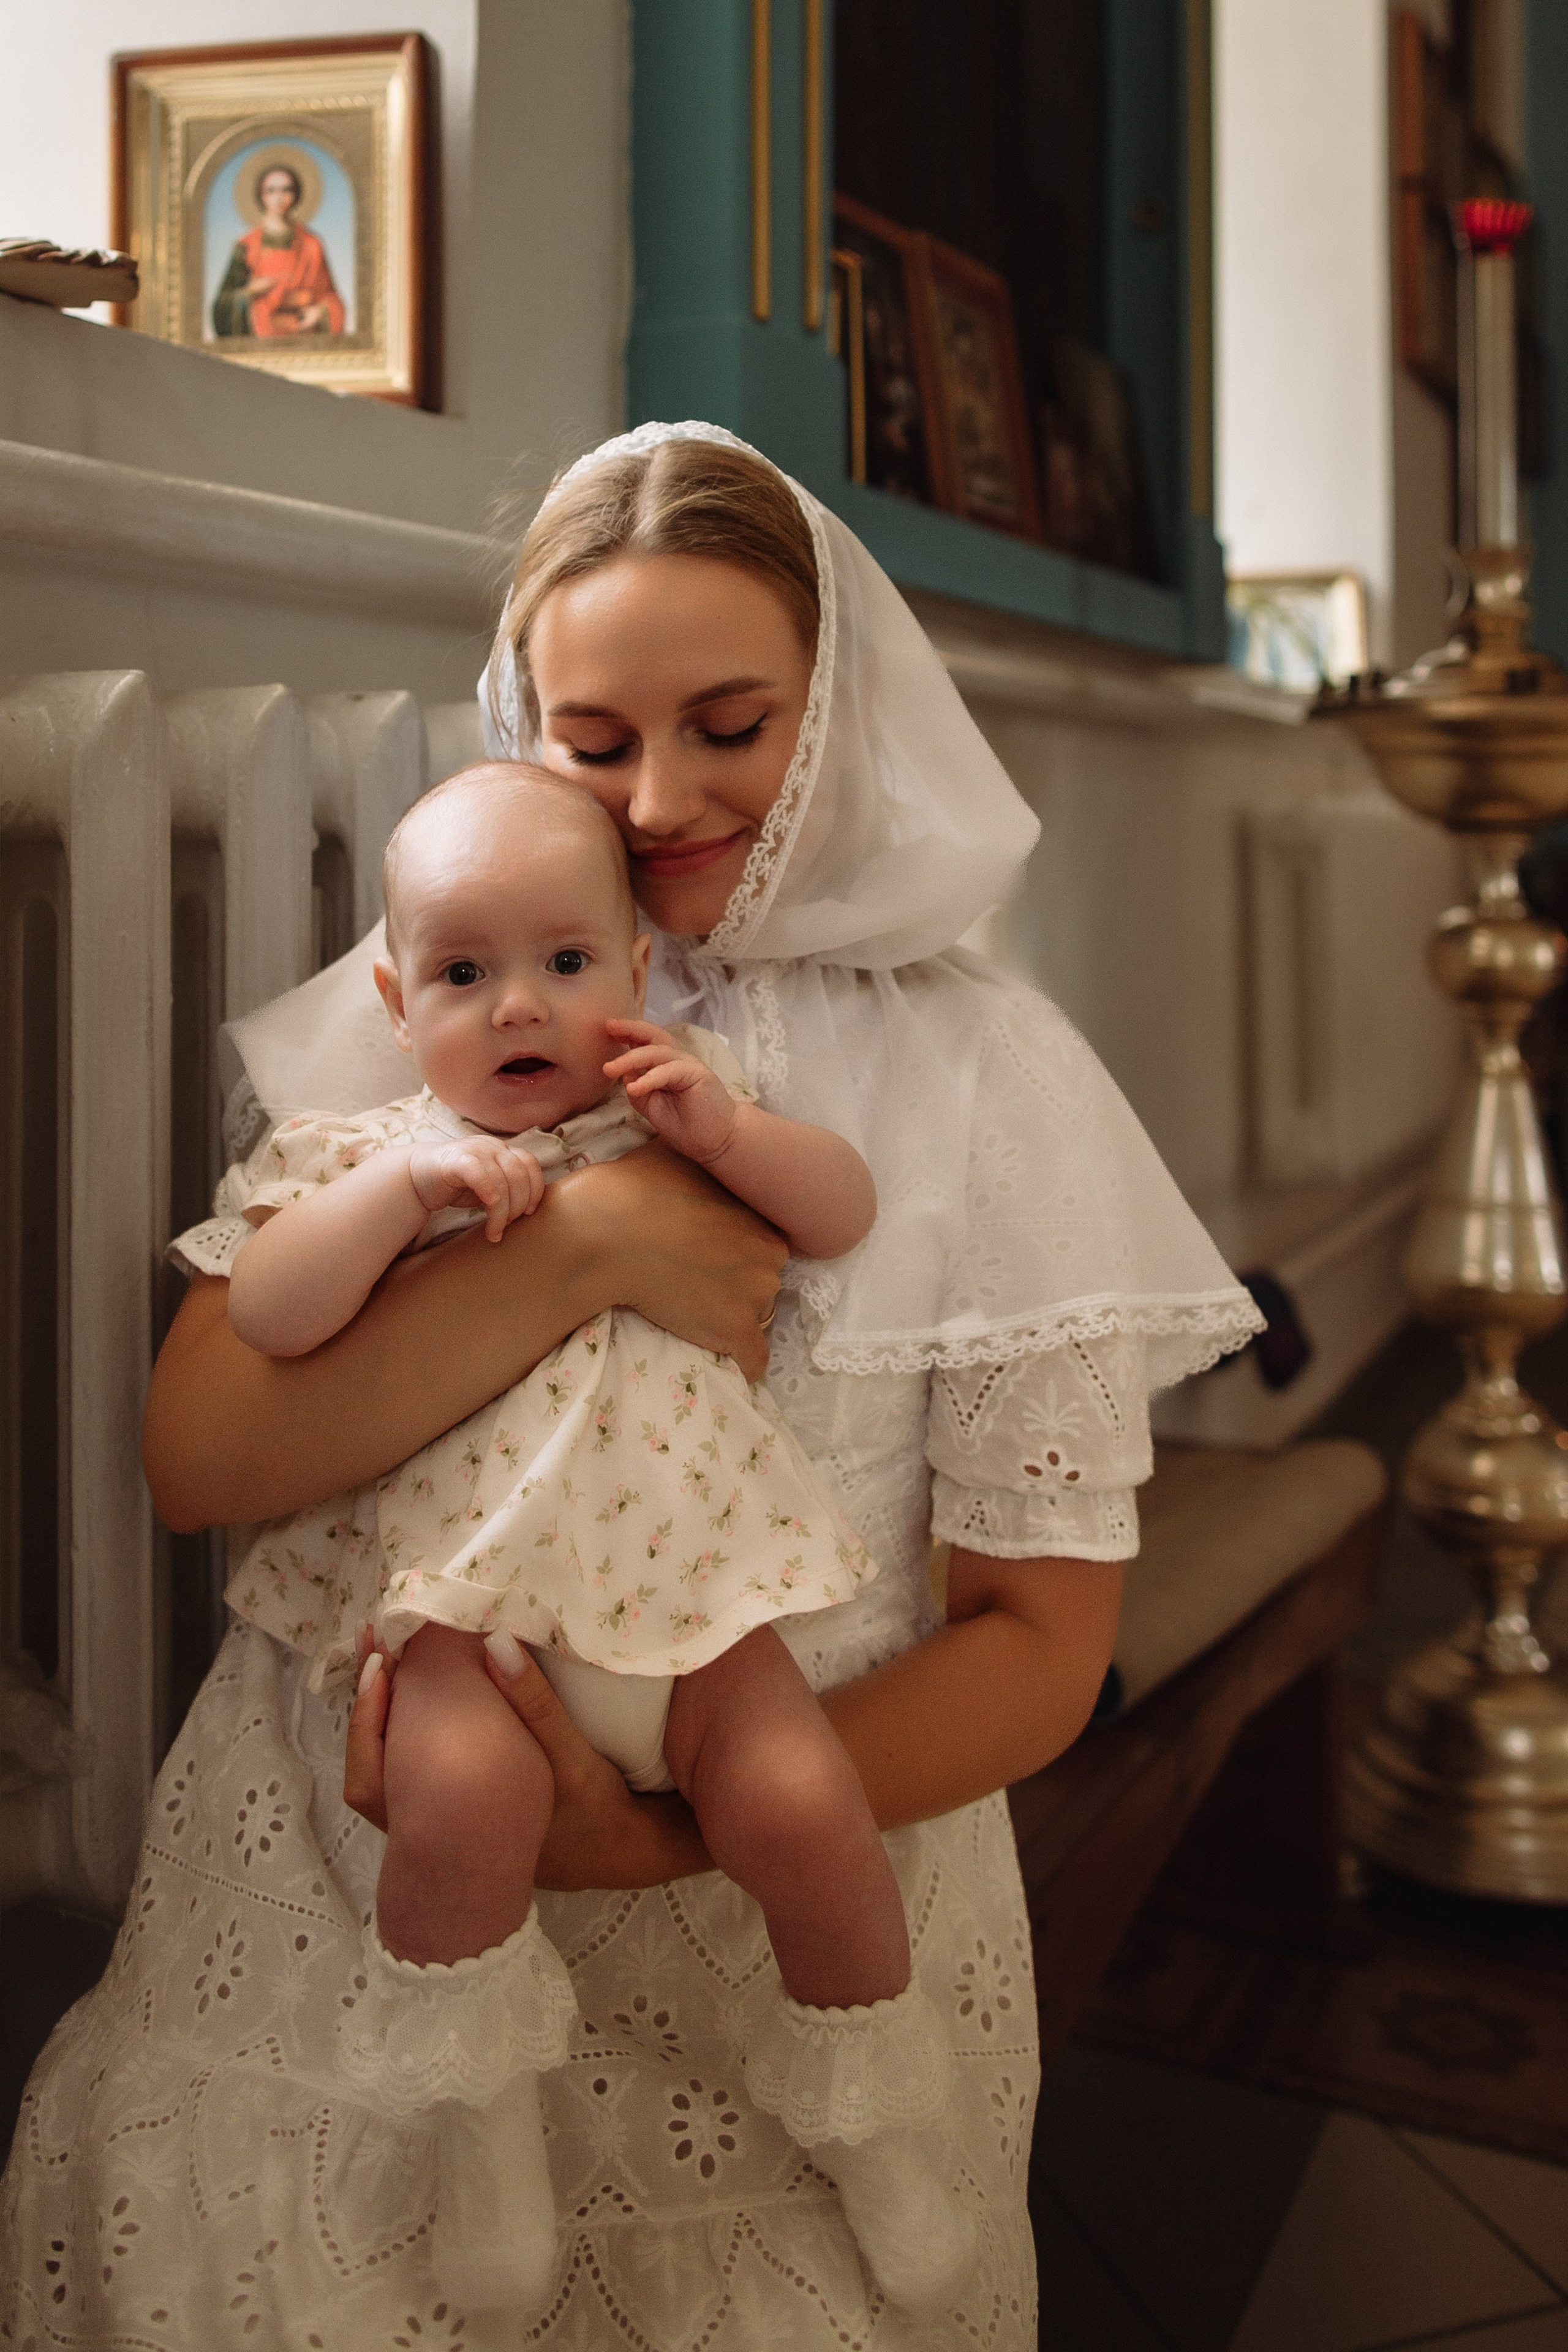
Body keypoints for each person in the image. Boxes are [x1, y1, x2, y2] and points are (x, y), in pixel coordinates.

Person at [0, 423, 1261, 2348]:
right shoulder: (456, 980)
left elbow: (1037, 1640)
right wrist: (586, 1249)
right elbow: (202, 1452)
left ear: (834, 716)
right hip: (393, 1845)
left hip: (781, 1855)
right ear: (521, 723)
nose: (661, 794)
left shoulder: (991, 1077)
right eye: (592, 739)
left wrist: (648, 1837)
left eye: (732, 723)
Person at [209, 759, 965, 2313]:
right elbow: (273, 1311)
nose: (518, 1009)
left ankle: (875, 2112)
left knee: (804, 1808)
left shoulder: (669, 1104)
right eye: (465, 973)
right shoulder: (367, 1154)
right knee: (459, 1805)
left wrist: (735, 1132)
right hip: (465, 1613)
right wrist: (401, 1188)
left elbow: (841, 1208)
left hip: (687, 1595)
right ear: (393, 994)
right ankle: (481, 2123)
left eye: (564, 963)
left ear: (635, 968)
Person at [211, 160, 344, 340]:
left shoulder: (312, 245)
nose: (279, 197)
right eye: (271, 191)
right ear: (262, 196)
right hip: (259, 334)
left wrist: (320, 313)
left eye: (286, 190)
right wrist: (249, 292)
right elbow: (223, 307)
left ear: (295, 195)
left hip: (303, 335)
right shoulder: (246, 246)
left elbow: (331, 298)